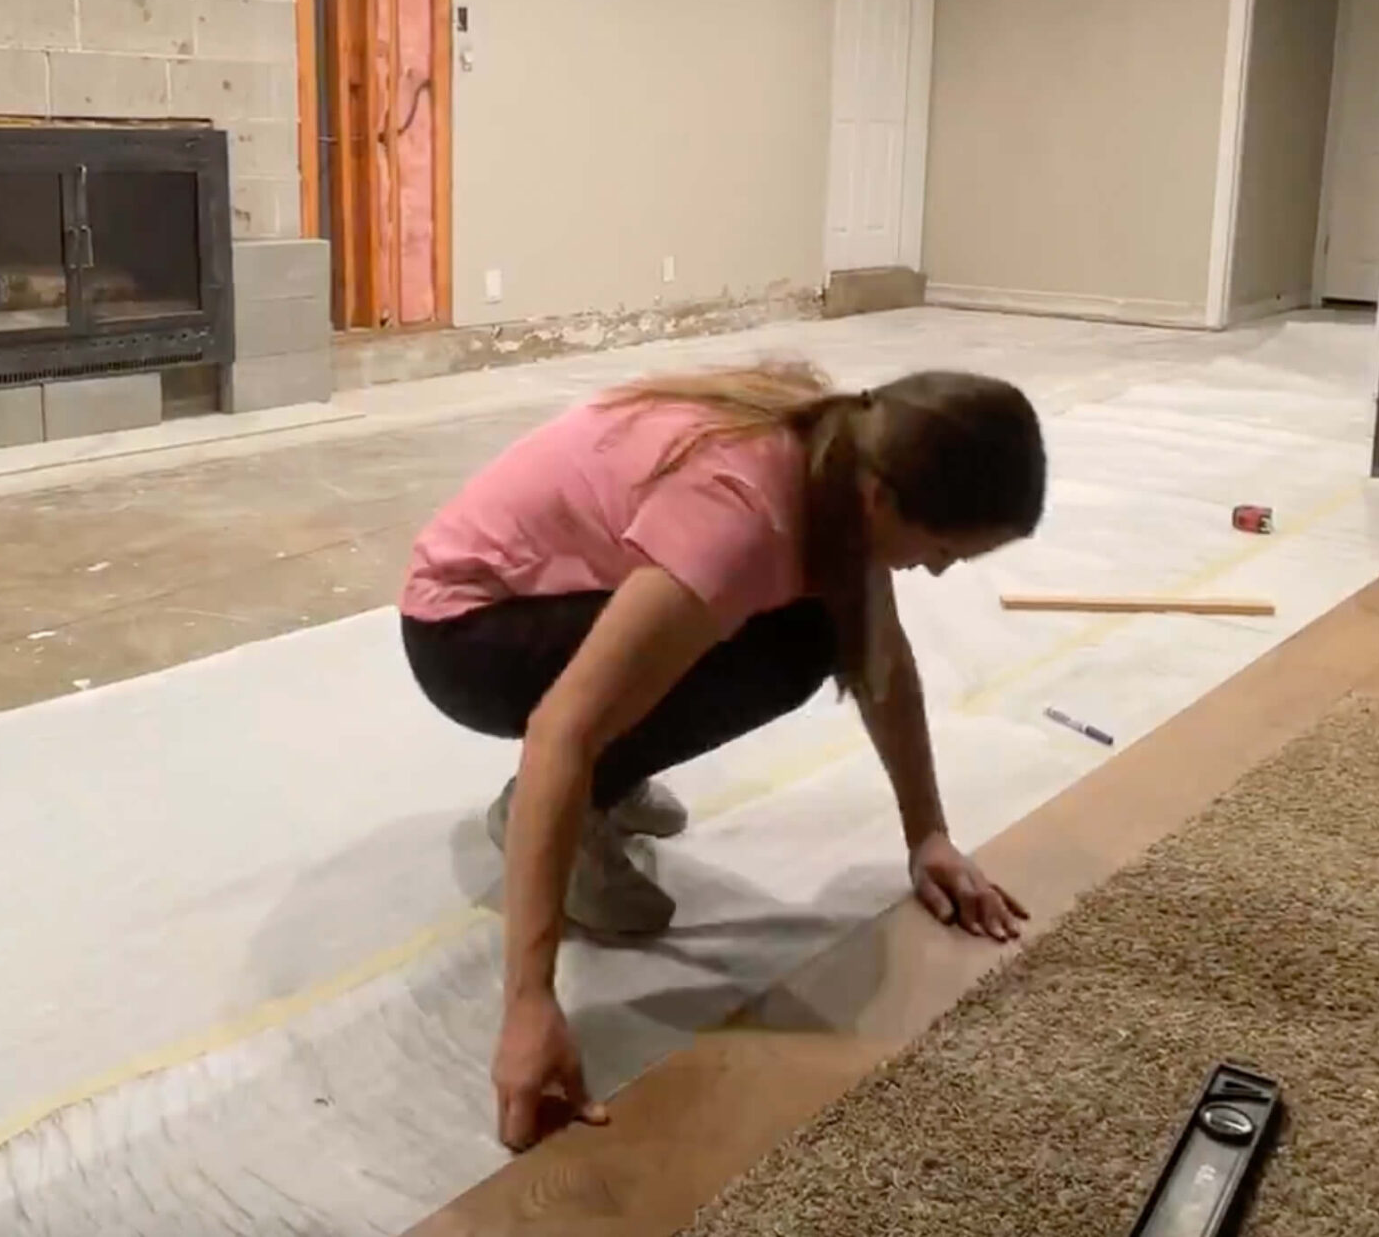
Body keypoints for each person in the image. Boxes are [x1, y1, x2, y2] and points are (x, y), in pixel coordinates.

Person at [399, 360, 1047, 1151]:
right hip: (466, 631)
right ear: (884, 499)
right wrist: (528, 1004)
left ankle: (610, 771)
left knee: (809, 631)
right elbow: (558, 732)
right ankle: (574, 810)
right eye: (942, 547)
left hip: (549, 592)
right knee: (774, 651)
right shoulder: (747, 513)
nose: (937, 569)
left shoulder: (846, 451)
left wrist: (929, 834)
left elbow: (883, 656)